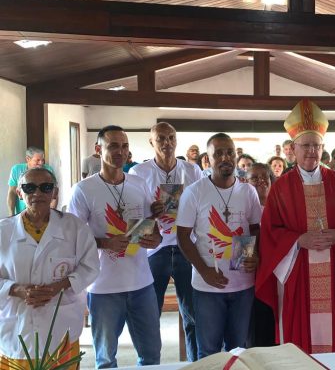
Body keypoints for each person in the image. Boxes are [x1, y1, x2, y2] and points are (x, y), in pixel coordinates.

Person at [256, 99, 335, 354]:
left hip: (334, 268)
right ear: (293, 148)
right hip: (297, 269)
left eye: (316, 145)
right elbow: (270, 231)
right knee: (299, 333)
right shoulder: (281, 187)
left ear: (323, 147)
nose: (311, 151)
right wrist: (298, 240)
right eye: (306, 145)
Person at [68, 125, 162, 368]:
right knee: (106, 360)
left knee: (151, 356)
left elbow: (152, 226)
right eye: (113, 146)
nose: (120, 151)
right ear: (98, 149)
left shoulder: (139, 183)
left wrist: (156, 238)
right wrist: (104, 243)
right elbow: (74, 237)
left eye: (125, 146)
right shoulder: (83, 190)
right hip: (103, 288)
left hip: (142, 284)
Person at [0, 168, 99, 370]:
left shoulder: (75, 227)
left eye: (45, 187)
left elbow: (90, 266)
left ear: (55, 192)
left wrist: (58, 286)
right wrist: (16, 289)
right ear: (19, 193)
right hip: (17, 328)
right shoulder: (4, 231)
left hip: (62, 328)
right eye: (29, 187)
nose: (37, 193)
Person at [176, 133, 261, 358]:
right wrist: (204, 271)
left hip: (243, 284)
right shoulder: (194, 192)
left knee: (238, 350)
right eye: (219, 153)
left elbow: (254, 229)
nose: (225, 158)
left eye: (230, 152)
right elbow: (183, 236)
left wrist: (255, 255)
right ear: (208, 159)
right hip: (207, 287)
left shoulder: (248, 191)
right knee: (209, 351)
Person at [128, 123, 203, 361]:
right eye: (161, 138)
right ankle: (150, 364)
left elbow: (203, 207)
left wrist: (187, 209)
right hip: (154, 250)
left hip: (186, 246)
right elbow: (132, 213)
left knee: (192, 315)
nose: (167, 143)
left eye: (171, 138)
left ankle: (196, 364)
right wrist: (150, 212)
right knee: (150, 315)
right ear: (152, 142)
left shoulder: (192, 171)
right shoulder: (139, 172)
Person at [246, 163, 276, 347]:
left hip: (275, 274)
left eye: (265, 176)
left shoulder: (280, 205)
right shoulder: (243, 207)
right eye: (254, 178)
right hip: (251, 275)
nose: (261, 181)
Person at [7, 146, 56, 215]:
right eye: (38, 160)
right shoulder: (16, 169)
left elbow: (54, 192)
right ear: (28, 159)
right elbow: (12, 193)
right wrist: (11, 213)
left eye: (42, 160)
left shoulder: (48, 170)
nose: (41, 163)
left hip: (43, 213)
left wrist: (52, 213)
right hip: (21, 213)